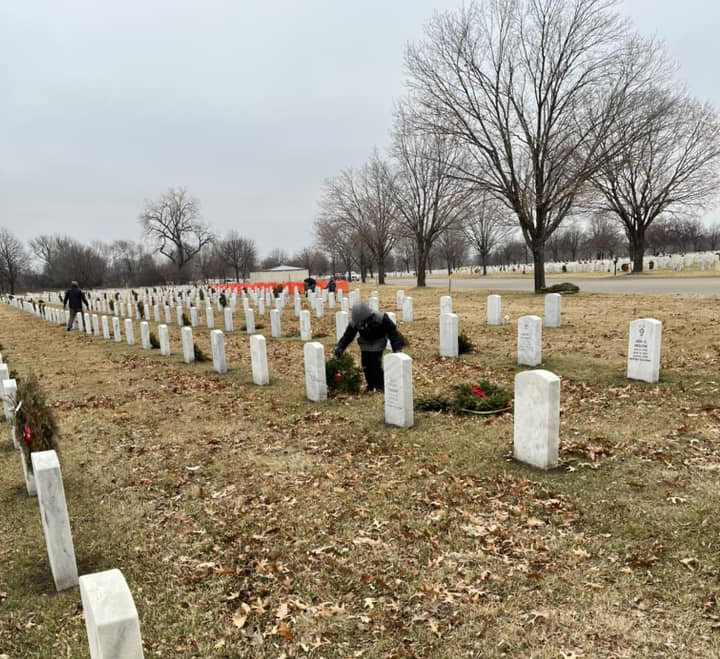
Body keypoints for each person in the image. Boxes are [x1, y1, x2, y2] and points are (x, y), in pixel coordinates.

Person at [334, 303, 402, 392]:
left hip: (378, 340)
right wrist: (340, 347)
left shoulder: (381, 318)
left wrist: (396, 348)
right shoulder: (355, 321)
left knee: (375, 363)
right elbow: (348, 335)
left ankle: (380, 385)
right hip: (365, 342)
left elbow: (392, 333)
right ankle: (370, 385)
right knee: (365, 363)